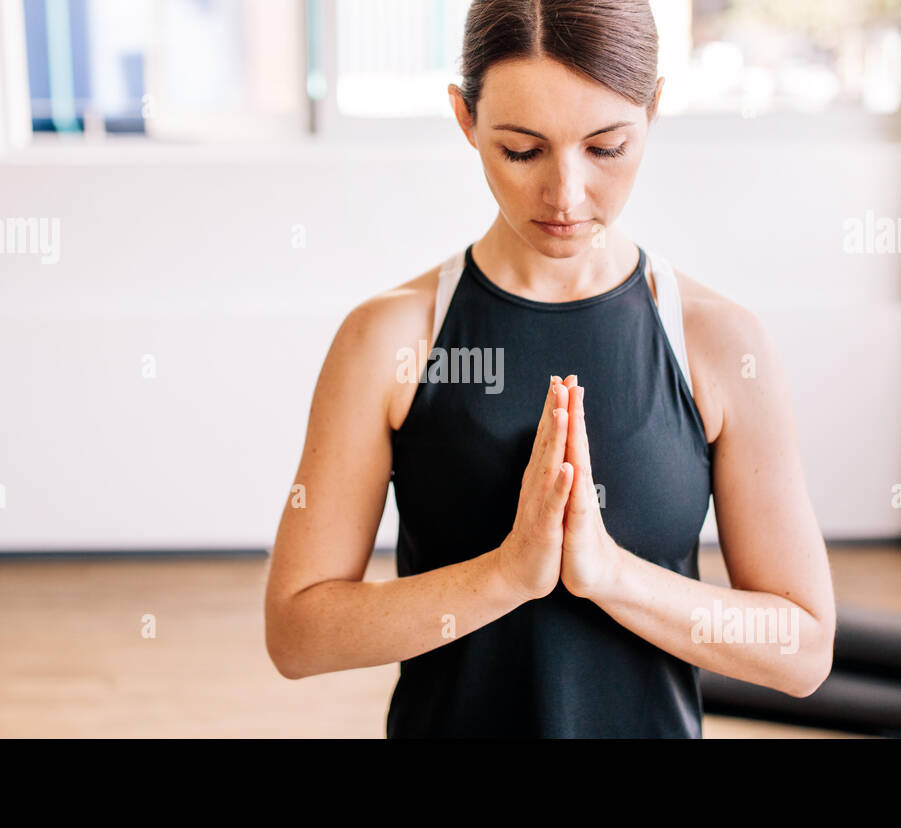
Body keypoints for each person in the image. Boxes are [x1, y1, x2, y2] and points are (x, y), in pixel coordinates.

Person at [264, 0, 836, 737]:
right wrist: (504, 576)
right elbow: (296, 633)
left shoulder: (720, 343)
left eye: (606, 148)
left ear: (653, 109)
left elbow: (803, 650)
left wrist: (609, 575)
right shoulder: (389, 340)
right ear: (465, 119)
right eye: (523, 150)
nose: (565, 196)